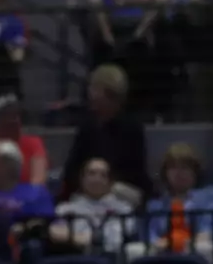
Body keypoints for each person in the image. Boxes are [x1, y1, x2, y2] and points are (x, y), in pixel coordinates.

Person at [59, 65, 151, 203]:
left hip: (120, 191)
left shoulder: (132, 128)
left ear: (111, 94)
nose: (90, 93)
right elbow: (72, 169)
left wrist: (106, 184)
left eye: (95, 89)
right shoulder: (87, 127)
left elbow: (136, 173)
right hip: (88, 189)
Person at [143, 144, 213, 257]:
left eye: (184, 167)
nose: (178, 173)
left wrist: (179, 242)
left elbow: (212, 232)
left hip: (199, 251)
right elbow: (151, 237)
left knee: (204, 248)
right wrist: (163, 244)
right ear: (165, 172)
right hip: (164, 252)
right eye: (173, 167)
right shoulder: (155, 205)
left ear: (195, 171)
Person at [48, 158, 135, 255]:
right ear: (82, 178)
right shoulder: (65, 209)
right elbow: (55, 233)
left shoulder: (123, 209)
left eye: (103, 175)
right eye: (91, 173)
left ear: (110, 181)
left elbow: (121, 238)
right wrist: (86, 239)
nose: (96, 179)